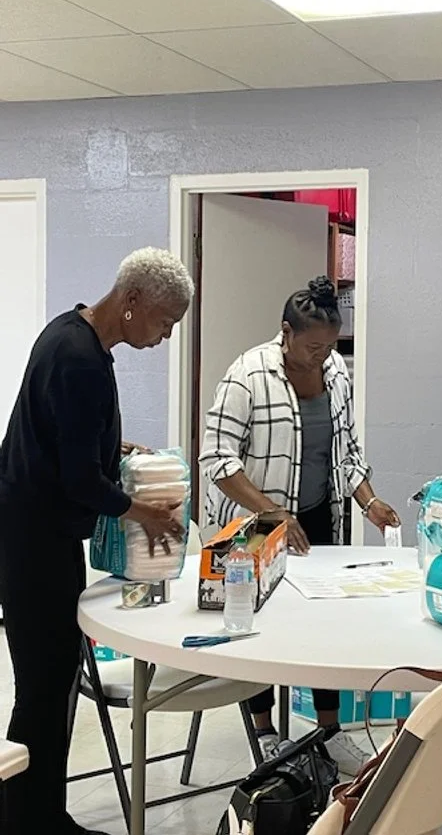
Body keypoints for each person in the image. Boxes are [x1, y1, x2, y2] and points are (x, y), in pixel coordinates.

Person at [0, 247, 194, 835]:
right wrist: (146, 515)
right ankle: (28, 820)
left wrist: (117, 449)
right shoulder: (80, 359)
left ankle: (38, 814)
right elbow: (78, 479)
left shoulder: (69, 333)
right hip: (35, 543)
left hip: (33, 532)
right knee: (44, 686)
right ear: (132, 301)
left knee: (52, 682)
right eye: (164, 323)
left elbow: (67, 437)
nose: (164, 338)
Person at [200, 276, 400, 776]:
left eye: (330, 346)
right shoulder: (247, 375)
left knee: (322, 627)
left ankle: (328, 732)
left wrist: (370, 501)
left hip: (315, 518)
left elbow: (347, 455)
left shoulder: (335, 375)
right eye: (312, 346)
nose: (321, 356)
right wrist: (273, 514)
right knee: (259, 624)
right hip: (254, 524)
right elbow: (217, 458)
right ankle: (266, 733)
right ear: (285, 333)